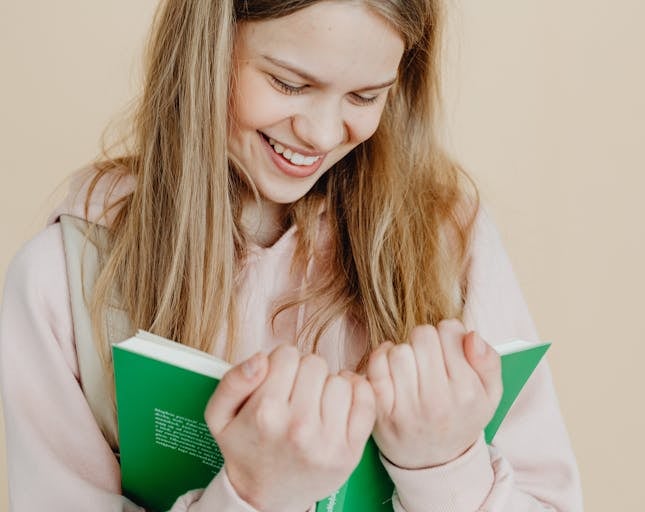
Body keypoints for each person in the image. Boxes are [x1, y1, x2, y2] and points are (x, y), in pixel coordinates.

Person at [0, 1, 582, 510]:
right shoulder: (65, 277)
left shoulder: (447, 239)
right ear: (208, 45)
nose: (323, 133)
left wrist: (448, 467)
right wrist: (253, 496)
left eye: (364, 95)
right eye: (289, 84)